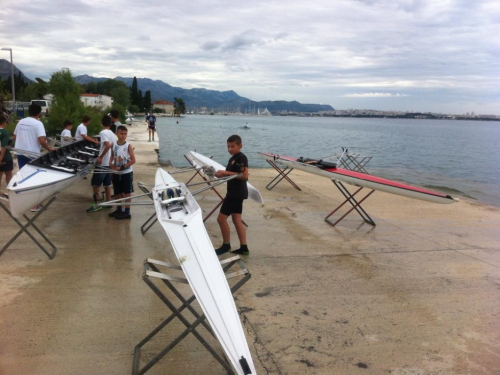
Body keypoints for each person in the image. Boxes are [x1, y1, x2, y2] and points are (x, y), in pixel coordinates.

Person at [214, 134, 250, 256]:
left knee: (221, 219)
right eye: (228, 146)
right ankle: (244, 248)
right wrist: (221, 174)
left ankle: (226, 245)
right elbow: (232, 174)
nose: (230, 149)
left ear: (240, 146)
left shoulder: (241, 158)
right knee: (236, 219)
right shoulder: (233, 158)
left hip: (235, 194)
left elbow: (244, 176)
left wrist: (225, 172)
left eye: (232, 146)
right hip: (236, 193)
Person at [12, 103, 56, 170]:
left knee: (23, 173)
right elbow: (41, 140)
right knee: (32, 174)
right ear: (39, 113)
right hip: (32, 154)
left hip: (20, 152)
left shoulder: (20, 122)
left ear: (29, 112)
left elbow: (14, 137)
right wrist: (49, 149)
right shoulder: (38, 124)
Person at [86, 115, 114, 212]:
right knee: (107, 184)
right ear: (111, 124)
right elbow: (113, 147)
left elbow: (107, 145)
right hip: (108, 163)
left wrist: (101, 157)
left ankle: (97, 203)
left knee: (95, 184)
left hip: (102, 163)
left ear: (102, 123)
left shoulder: (103, 132)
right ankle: (109, 202)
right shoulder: (113, 134)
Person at [108, 125, 135, 220]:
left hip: (126, 172)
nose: (123, 136)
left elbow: (133, 160)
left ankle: (127, 212)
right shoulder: (114, 144)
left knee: (127, 192)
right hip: (116, 172)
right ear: (117, 134)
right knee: (117, 192)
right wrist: (110, 163)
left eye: (125, 134)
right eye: (121, 133)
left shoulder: (128, 146)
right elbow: (112, 155)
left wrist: (123, 167)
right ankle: (119, 209)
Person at [0, 114, 13, 198]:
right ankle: (10, 191)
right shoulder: (4, 132)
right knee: (8, 174)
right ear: (4, 123)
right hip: (5, 157)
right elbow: (4, 146)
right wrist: (1, 158)